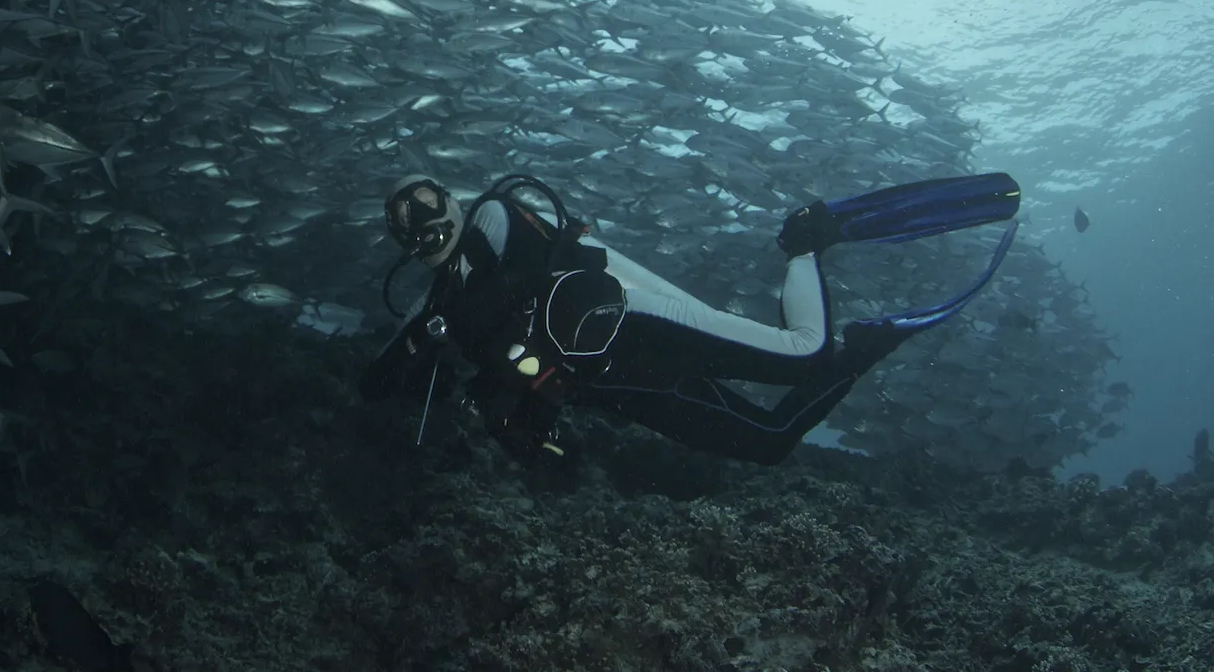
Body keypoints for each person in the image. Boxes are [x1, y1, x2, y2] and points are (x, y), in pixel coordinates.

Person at [362, 172, 1020, 465]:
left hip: (638, 321)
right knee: (766, 443)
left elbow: (526, 275)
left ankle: (811, 238)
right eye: (403, 219)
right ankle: (867, 344)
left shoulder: (493, 216)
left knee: (802, 354)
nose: (421, 220)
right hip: (620, 386)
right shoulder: (439, 301)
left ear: (449, 195)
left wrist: (437, 329)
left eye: (424, 200)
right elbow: (388, 373)